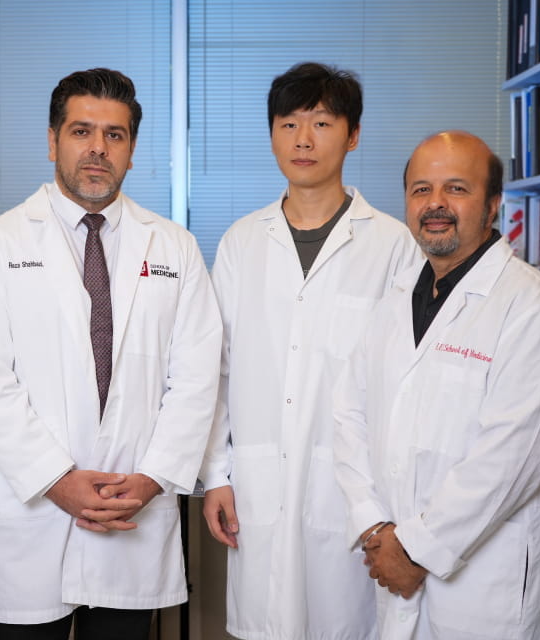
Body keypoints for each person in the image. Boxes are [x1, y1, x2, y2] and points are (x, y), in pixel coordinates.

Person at [0, 68, 221, 639]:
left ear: (131, 150)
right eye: (81, 131)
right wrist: (58, 480)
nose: (98, 149)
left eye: (115, 135)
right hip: (34, 511)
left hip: (134, 508)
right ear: (53, 140)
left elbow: (196, 378)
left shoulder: (174, 246)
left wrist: (152, 478)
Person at [197, 62, 419, 639]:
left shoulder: (394, 246)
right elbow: (214, 370)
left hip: (355, 491)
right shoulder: (242, 243)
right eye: (288, 123)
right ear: (271, 133)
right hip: (257, 482)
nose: (302, 139)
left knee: (349, 623)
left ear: (353, 134)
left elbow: (408, 380)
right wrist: (216, 475)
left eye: (321, 122)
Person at [333, 130, 540, 639]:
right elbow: (349, 415)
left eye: (456, 189)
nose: (435, 204)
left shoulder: (531, 306)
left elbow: (512, 456)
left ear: (492, 205)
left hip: (486, 585)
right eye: (421, 189)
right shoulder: (396, 298)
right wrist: (375, 526)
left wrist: (415, 548)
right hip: (393, 557)